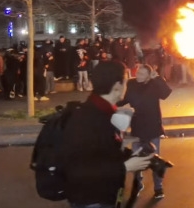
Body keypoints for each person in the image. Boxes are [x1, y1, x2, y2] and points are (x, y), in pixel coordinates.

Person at [61, 60, 153, 208]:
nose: (126, 86)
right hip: (91, 200)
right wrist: (125, 167)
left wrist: (132, 156)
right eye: (126, 80)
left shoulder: (104, 112)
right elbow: (79, 168)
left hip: (104, 196)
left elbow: (101, 152)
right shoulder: (89, 117)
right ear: (117, 86)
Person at [117, 64, 172, 199]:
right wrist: (110, 103)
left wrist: (158, 78)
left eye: (142, 74)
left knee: (155, 159)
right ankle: (138, 184)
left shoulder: (154, 84)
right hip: (138, 127)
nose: (139, 76)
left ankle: (158, 187)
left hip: (153, 126)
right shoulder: (131, 84)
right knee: (136, 158)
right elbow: (124, 99)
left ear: (148, 75)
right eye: (138, 73)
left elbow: (166, 93)